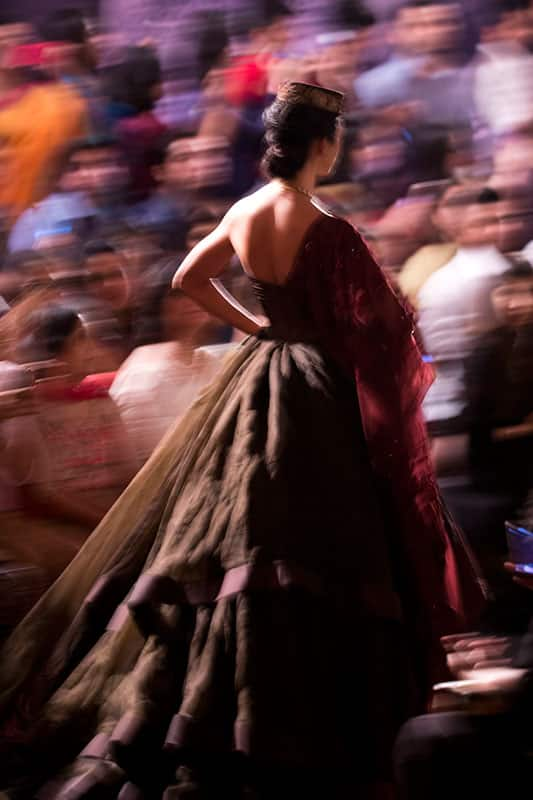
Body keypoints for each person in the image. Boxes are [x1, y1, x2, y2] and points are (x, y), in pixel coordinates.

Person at [0, 82, 484, 799]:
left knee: (235, 535)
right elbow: (382, 329)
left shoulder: (245, 208)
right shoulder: (328, 226)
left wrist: (260, 328)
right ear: (325, 144)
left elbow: (193, 278)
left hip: (260, 380)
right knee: (327, 540)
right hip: (317, 390)